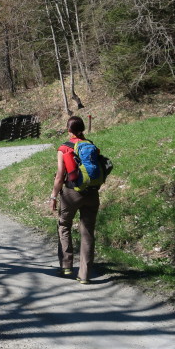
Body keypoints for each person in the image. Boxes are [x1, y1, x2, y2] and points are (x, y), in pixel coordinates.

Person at [50, 116, 100, 284]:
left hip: (71, 193)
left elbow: (59, 176)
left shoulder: (64, 148)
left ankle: (66, 266)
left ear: (68, 130)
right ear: (83, 128)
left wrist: (53, 196)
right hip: (92, 193)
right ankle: (84, 275)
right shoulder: (91, 145)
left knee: (64, 225)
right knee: (87, 232)